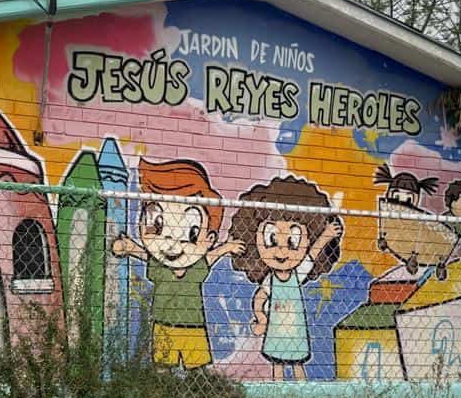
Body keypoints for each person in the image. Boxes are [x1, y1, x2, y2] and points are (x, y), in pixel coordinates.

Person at [111, 159, 243, 369]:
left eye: (190, 233)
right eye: (158, 225)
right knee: (163, 367)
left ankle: (195, 397)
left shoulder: (197, 268)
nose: (172, 243)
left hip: (194, 327)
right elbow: (147, 256)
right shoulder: (160, 267)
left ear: (208, 238)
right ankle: (164, 396)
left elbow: (209, 258)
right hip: (163, 325)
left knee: (197, 368)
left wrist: (226, 248)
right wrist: (130, 248)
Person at [229, 177, 343, 381]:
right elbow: (260, 296)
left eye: (292, 241)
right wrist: (261, 317)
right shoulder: (270, 280)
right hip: (276, 333)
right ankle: (278, 388)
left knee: (298, 364)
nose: (281, 249)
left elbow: (313, 254)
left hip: (295, 334)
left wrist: (325, 236)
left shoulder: (297, 274)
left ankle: (302, 388)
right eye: (272, 239)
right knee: (278, 366)